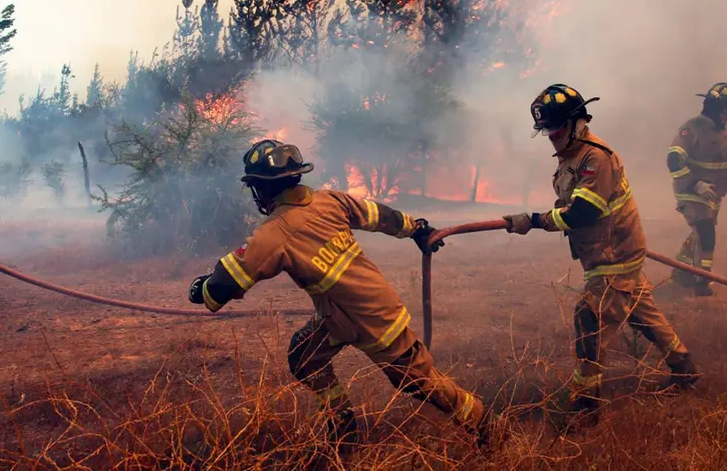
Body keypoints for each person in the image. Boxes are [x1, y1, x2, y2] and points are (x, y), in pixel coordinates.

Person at [188, 139, 500, 448]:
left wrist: (201, 289)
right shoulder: (328, 200)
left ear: (263, 187)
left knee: (417, 381)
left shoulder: (275, 233)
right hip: (339, 317)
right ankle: (343, 427)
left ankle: (487, 424)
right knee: (305, 356)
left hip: (374, 318)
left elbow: (226, 282)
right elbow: (378, 215)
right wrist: (415, 229)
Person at [500, 85, 698, 422]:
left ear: (577, 123)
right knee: (640, 311)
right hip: (610, 252)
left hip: (613, 256)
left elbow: (583, 212)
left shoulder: (596, 158)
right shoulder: (573, 156)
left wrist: (533, 221)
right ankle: (684, 367)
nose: (551, 136)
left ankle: (585, 404)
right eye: (546, 130)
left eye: (556, 128)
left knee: (589, 318)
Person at [667, 82, 727, 297]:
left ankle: (682, 272)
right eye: (725, 112)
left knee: (699, 233)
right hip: (691, 191)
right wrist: (696, 185)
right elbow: (674, 160)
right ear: (714, 109)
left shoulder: (726, 130)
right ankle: (702, 281)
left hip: (715, 193)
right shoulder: (692, 129)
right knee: (706, 231)